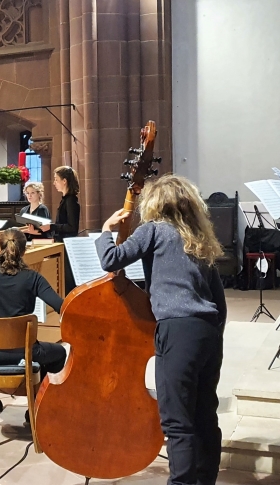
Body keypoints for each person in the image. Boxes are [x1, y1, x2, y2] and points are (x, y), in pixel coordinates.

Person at [96, 175, 227, 485]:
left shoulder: (154, 230)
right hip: (208, 333)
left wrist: (105, 231)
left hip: (177, 331)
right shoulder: (199, 239)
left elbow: (111, 260)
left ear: (154, 204)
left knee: (177, 422)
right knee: (205, 415)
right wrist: (211, 337)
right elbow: (219, 300)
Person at [0, 228, 66, 415]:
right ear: (23, 252)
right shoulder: (33, 278)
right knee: (59, 353)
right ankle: (36, 401)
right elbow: (61, 306)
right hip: (27, 354)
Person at [27, 166, 80, 293]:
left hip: (67, 245)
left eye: (56, 179)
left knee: (67, 281)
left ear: (64, 181)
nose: (54, 183)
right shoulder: (65, 200)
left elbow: (72, 227)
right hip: (61, 243)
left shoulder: (71, 200)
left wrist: (51, 226)